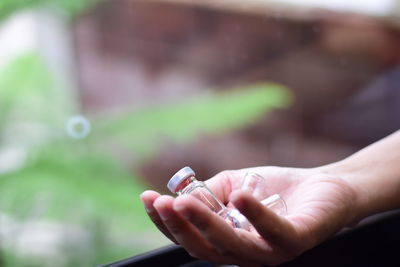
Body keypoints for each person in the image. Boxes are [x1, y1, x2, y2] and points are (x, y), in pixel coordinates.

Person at [140, 130, 400, 266]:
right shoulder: (198, 192)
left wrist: (344, 186)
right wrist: (343, 182)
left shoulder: (199, 192)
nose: (189, 186)